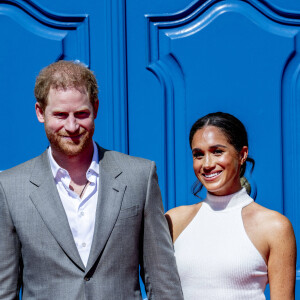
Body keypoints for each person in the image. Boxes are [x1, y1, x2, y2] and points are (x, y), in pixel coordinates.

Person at [0, 60, 183, 299]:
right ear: (39, 112)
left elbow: (162, 281)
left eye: (82, 114)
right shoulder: (10, 187)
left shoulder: (139, 176)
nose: (72, 126)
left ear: (96, 108)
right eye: (60, 115)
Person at [166, 112, 296, 299]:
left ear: (242, 155)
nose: (207, 164)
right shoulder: (175, 220)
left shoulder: (275, 227)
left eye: (217, 151)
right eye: (198, 155)